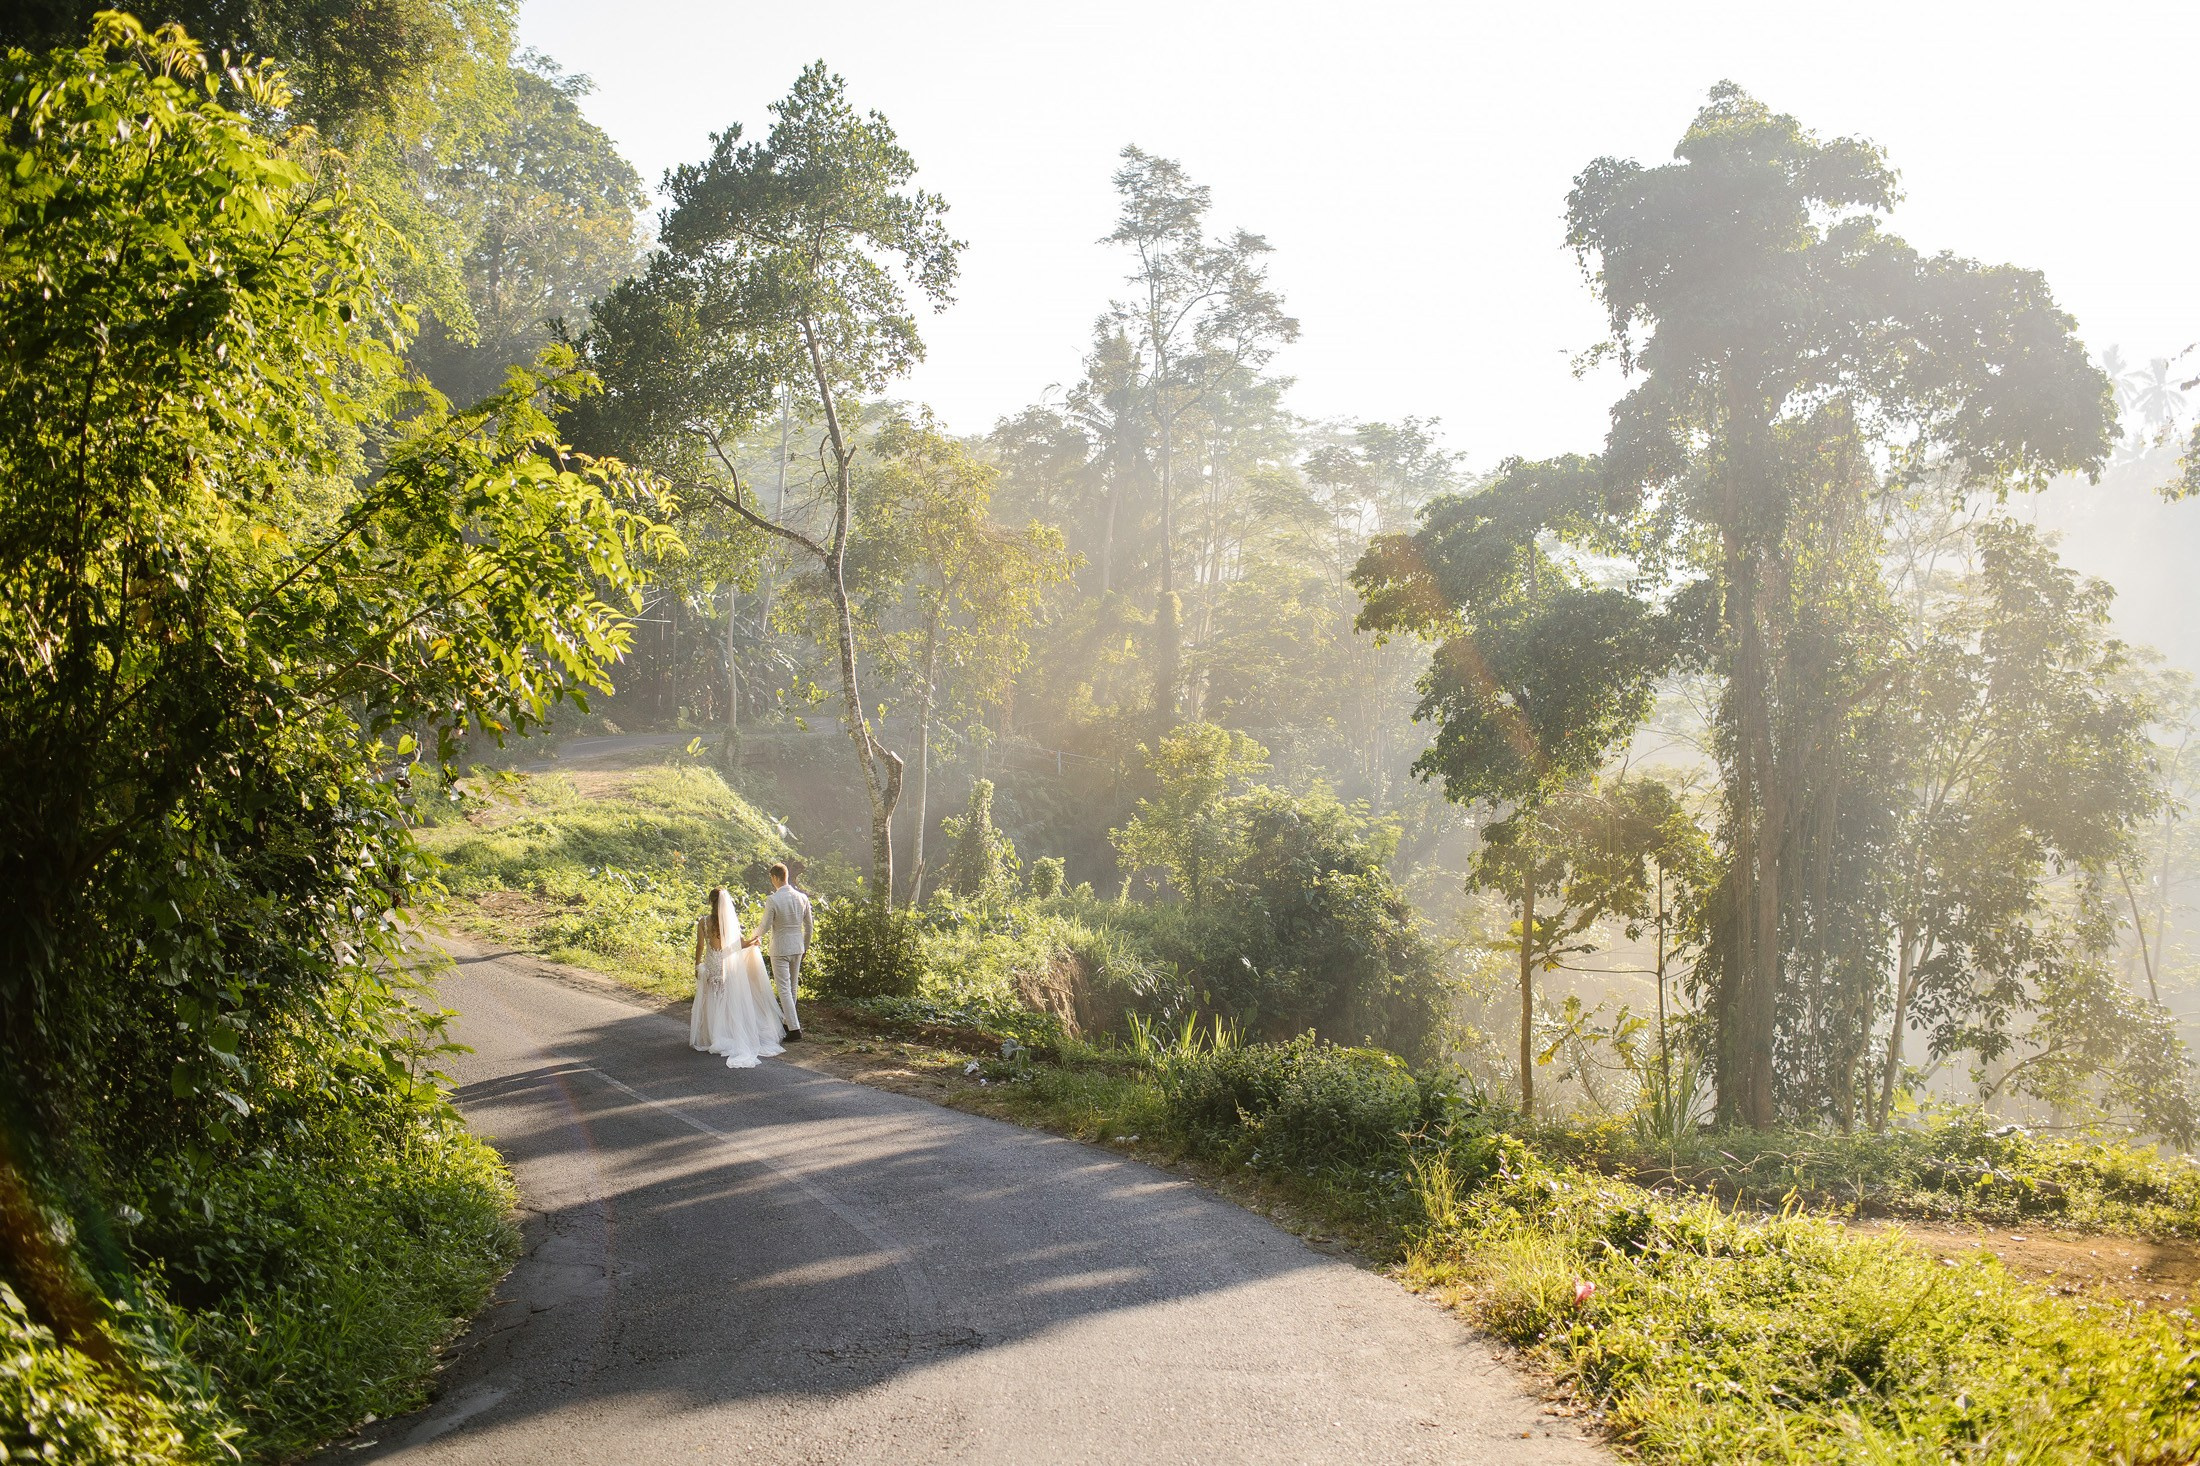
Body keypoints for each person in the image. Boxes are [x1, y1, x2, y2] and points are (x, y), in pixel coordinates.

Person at [690, 885, 785, 1068]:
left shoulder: (703, 922)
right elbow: (738, 945)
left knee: (711, 998)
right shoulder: (729, 923)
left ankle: (711, 1035)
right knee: (726, 1000)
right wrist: (753, 942)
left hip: (712, 965)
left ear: (711, 902)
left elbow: (700, 947)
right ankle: (726, 1033)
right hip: (726, 966)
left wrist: (696, 965)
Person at [745, 861, 811, 1041]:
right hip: (797, 946)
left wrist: (751, 937)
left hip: (780, 947)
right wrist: (805, 946)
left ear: (775, 877)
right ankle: (786, 1022)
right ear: (787, 876)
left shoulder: (773, 899)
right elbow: (809, 927)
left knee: (784, 989)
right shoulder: (802, 897)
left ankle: (795, 1029)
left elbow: (764, 926)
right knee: (792, 987)